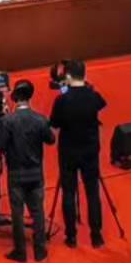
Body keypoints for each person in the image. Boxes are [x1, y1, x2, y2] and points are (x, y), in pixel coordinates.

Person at [49, 59, 108, 248]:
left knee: (68, 192)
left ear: (67, 76)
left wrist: (64, 91)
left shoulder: (62, 100)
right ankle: (96, 235)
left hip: (68, 152)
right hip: (90, 151)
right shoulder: (93, 96)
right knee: (93, 192)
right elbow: (100, 103)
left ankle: (71, 236)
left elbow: (54, 123)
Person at [0, 79, 55, 262]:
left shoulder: (8, 121)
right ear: (30, 97)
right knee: (38, 212)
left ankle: (20, 252)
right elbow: (51, 140)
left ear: (15, 97)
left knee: (17, 214)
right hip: (36, 173)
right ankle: (40, 251)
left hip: (16, 174)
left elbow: (0, 147)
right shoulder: (40, 119)